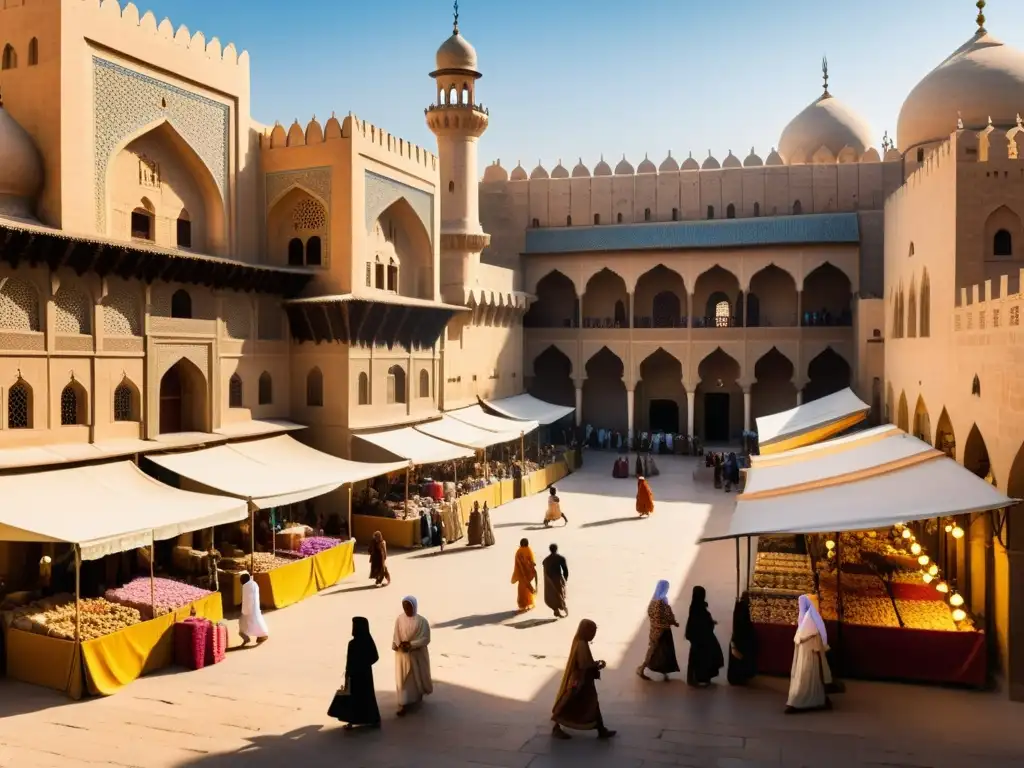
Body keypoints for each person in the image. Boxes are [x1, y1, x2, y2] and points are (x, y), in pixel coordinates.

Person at [551, 619, 616, 740]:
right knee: (570, 702)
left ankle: (601, 729)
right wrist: (597, 665)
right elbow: (583, 664)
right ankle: (556, 726)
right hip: (580, 681)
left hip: (584, 680)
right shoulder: (581, 644)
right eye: (592, 632)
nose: (593, 635)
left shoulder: (581, 642)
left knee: (592, 704)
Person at [328, 616, 381, 730]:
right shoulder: (368, 641)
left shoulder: (352, 644)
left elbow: (349, 662)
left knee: (354, 699)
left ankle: (352, 721)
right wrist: (365, 664)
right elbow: (375, 657)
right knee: (367, 698)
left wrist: (348, 675)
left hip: (355, 676)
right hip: (366, 676)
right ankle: (373, 719)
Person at [786, 594, 832, 714]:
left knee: (807, 676)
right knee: (809, 676)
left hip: (808, 654)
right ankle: (810, 700)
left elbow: (803, 635)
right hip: (809, 654)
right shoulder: (810, 618)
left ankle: (802, 701)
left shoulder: (808, 619)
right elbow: (820, 632)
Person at [392, 596, 433, 716]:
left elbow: (425, 638)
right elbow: (396, 634)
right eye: (404, 607)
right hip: (402, 655)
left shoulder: (422, 621)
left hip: (417, 655)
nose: (406, 609)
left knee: (415, 677)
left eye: (409, 607)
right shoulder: (400, 619)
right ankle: (403, 703)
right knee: (403, 678)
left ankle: (416, 698)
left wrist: (411, 644)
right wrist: (400, 644)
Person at [637, 579, 680, 681]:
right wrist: (673, 622)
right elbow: (663, 616)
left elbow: (652, 614)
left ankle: (664, 673)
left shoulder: (653, 601)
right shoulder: (661, 603)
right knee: (658, 651)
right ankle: (641, 669)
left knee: (659, 652)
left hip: (655, 631)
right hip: (662, 632)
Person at [684, 585, 723, 687]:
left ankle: (697, 677)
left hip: (698, 638)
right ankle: (700, 677)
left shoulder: (695, 607)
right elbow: (702, 623)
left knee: (698, 658)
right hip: (702, 638)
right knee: (704, 657)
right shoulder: (699, 608)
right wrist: (710, 623)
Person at [727, 594, 758, 686]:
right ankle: (741, 677)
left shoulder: (739, 609)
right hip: (743, 639)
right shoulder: (744, 610)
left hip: (738, 638)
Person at [239, 571, 269, 646]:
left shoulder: (246, 586)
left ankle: (249, 638)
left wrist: (243, 609)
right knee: (255, 623)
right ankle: (261, 635)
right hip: (254, 609)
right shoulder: (254, 584)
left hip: (248, 610)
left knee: (244, 625)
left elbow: (246, 599)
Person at [542, 543, 569, 618]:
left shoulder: (546, 560)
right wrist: (565, 579)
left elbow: (544, 566)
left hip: (550, 580)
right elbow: (565, 570)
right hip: (558, 579)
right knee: (560, 594)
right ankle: (561, 607)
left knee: (552, 595)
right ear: (556, 549)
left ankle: (556, 609)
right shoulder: (561, 558)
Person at [511, 538, 538, 612]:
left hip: (521, 574)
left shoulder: (518, 552)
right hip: (528, 573)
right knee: (527, 589)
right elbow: (532, 561)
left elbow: (517, 564)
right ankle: (529, 603)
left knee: (521, 590)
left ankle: (523, 606)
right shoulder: (528, 550)